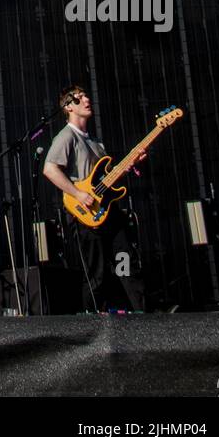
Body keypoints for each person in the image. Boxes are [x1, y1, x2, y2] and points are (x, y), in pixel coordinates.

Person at [43, 85, 146, 312]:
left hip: (108, 211)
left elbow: (104, 181)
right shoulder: (66, 136)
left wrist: (129, 166)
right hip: (85, 215)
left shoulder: (95, 142)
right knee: (96, 274)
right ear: (68, 107)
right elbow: (50, 169)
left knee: (127, 263)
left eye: (86, 95)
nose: (87, 99)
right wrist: (78, 194)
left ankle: (142, 317)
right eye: (79, 98)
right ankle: (92, 327)